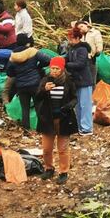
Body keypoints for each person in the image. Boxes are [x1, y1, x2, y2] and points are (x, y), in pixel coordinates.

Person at [35, 56, 76, 184]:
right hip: (48, 118)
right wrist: (44, 89)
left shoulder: (68, 81)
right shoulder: (45, 80)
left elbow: (74, 98)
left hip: (63, 118)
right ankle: (49, 168)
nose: (54, 71)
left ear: (62, 69)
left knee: (62, 148)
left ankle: (63, 171)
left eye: (57, 68)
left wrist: (67, 107)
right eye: (52, 68)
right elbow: (37, 97)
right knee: (46, 148)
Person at [5, 34, 51, 130]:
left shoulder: (13, 56)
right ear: (27, 42)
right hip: (35, 84)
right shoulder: (32, 51)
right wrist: (38, 66)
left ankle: (26, 129)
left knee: (25, 108)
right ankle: (41, 128)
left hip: (21, 86)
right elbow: (48, 60)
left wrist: (17, 73)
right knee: (39, 105)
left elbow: (9, 72)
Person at [65, 27, 94, 135]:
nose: (70, 41)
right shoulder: (71, 49)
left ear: (78, 38)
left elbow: (80, 64)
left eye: (72, 38)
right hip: (75, 81)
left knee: (85, 105)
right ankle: (80, 126)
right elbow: (66, 58)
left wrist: (66, 65)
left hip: (84, 81)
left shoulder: (82, 49)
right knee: (77, 105)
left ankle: (87, 128)